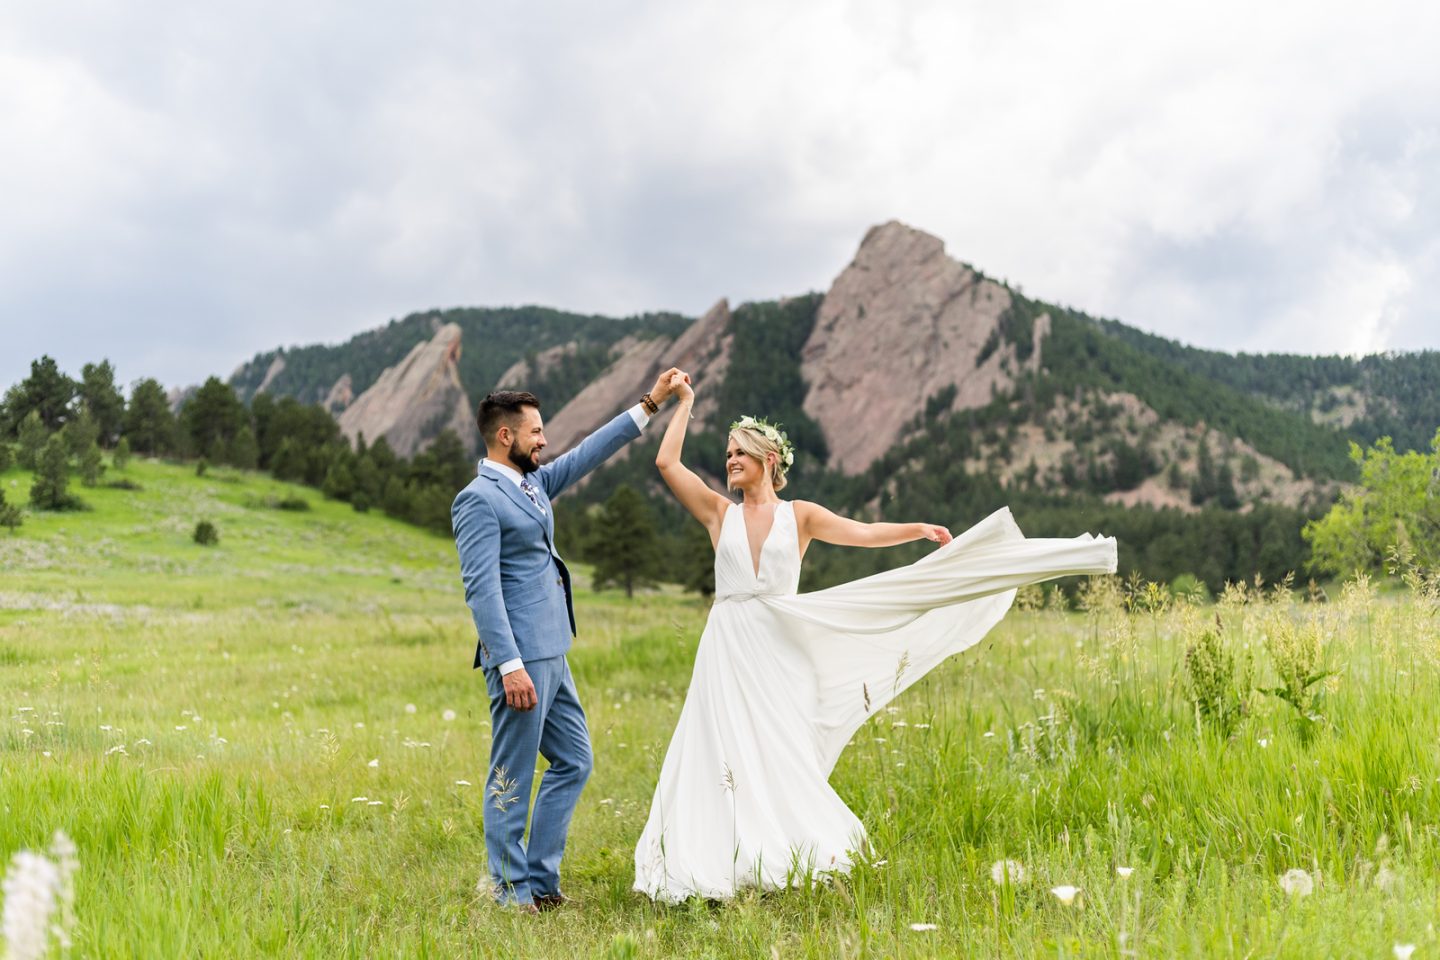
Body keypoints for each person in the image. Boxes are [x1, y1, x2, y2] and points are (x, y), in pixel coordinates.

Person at [634, 372, 1117, 902]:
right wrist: (685, 402)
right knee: (718, 745)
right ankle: (717, 853)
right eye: (727, 453)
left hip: (778, 648)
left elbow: (861, 534)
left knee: (776, 748)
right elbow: (666, 464)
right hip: (725, 646)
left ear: (767, 459)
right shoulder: (716, 513)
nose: (729, 460)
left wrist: (918, 530)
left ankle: (778, 845)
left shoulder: (801, 517)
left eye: (739, 453)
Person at [453, 370, 685, 912]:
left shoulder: (531, 485)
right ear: (505, 436)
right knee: (510, 773)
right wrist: (508, 664)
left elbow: (585, 455)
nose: (545, 440)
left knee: (575, 761)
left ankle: (540, 879)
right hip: (521, 659)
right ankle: (510, 892)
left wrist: (650, 405)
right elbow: (481, 590)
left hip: (554, 650)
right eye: (535, 431)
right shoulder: (478, 500)